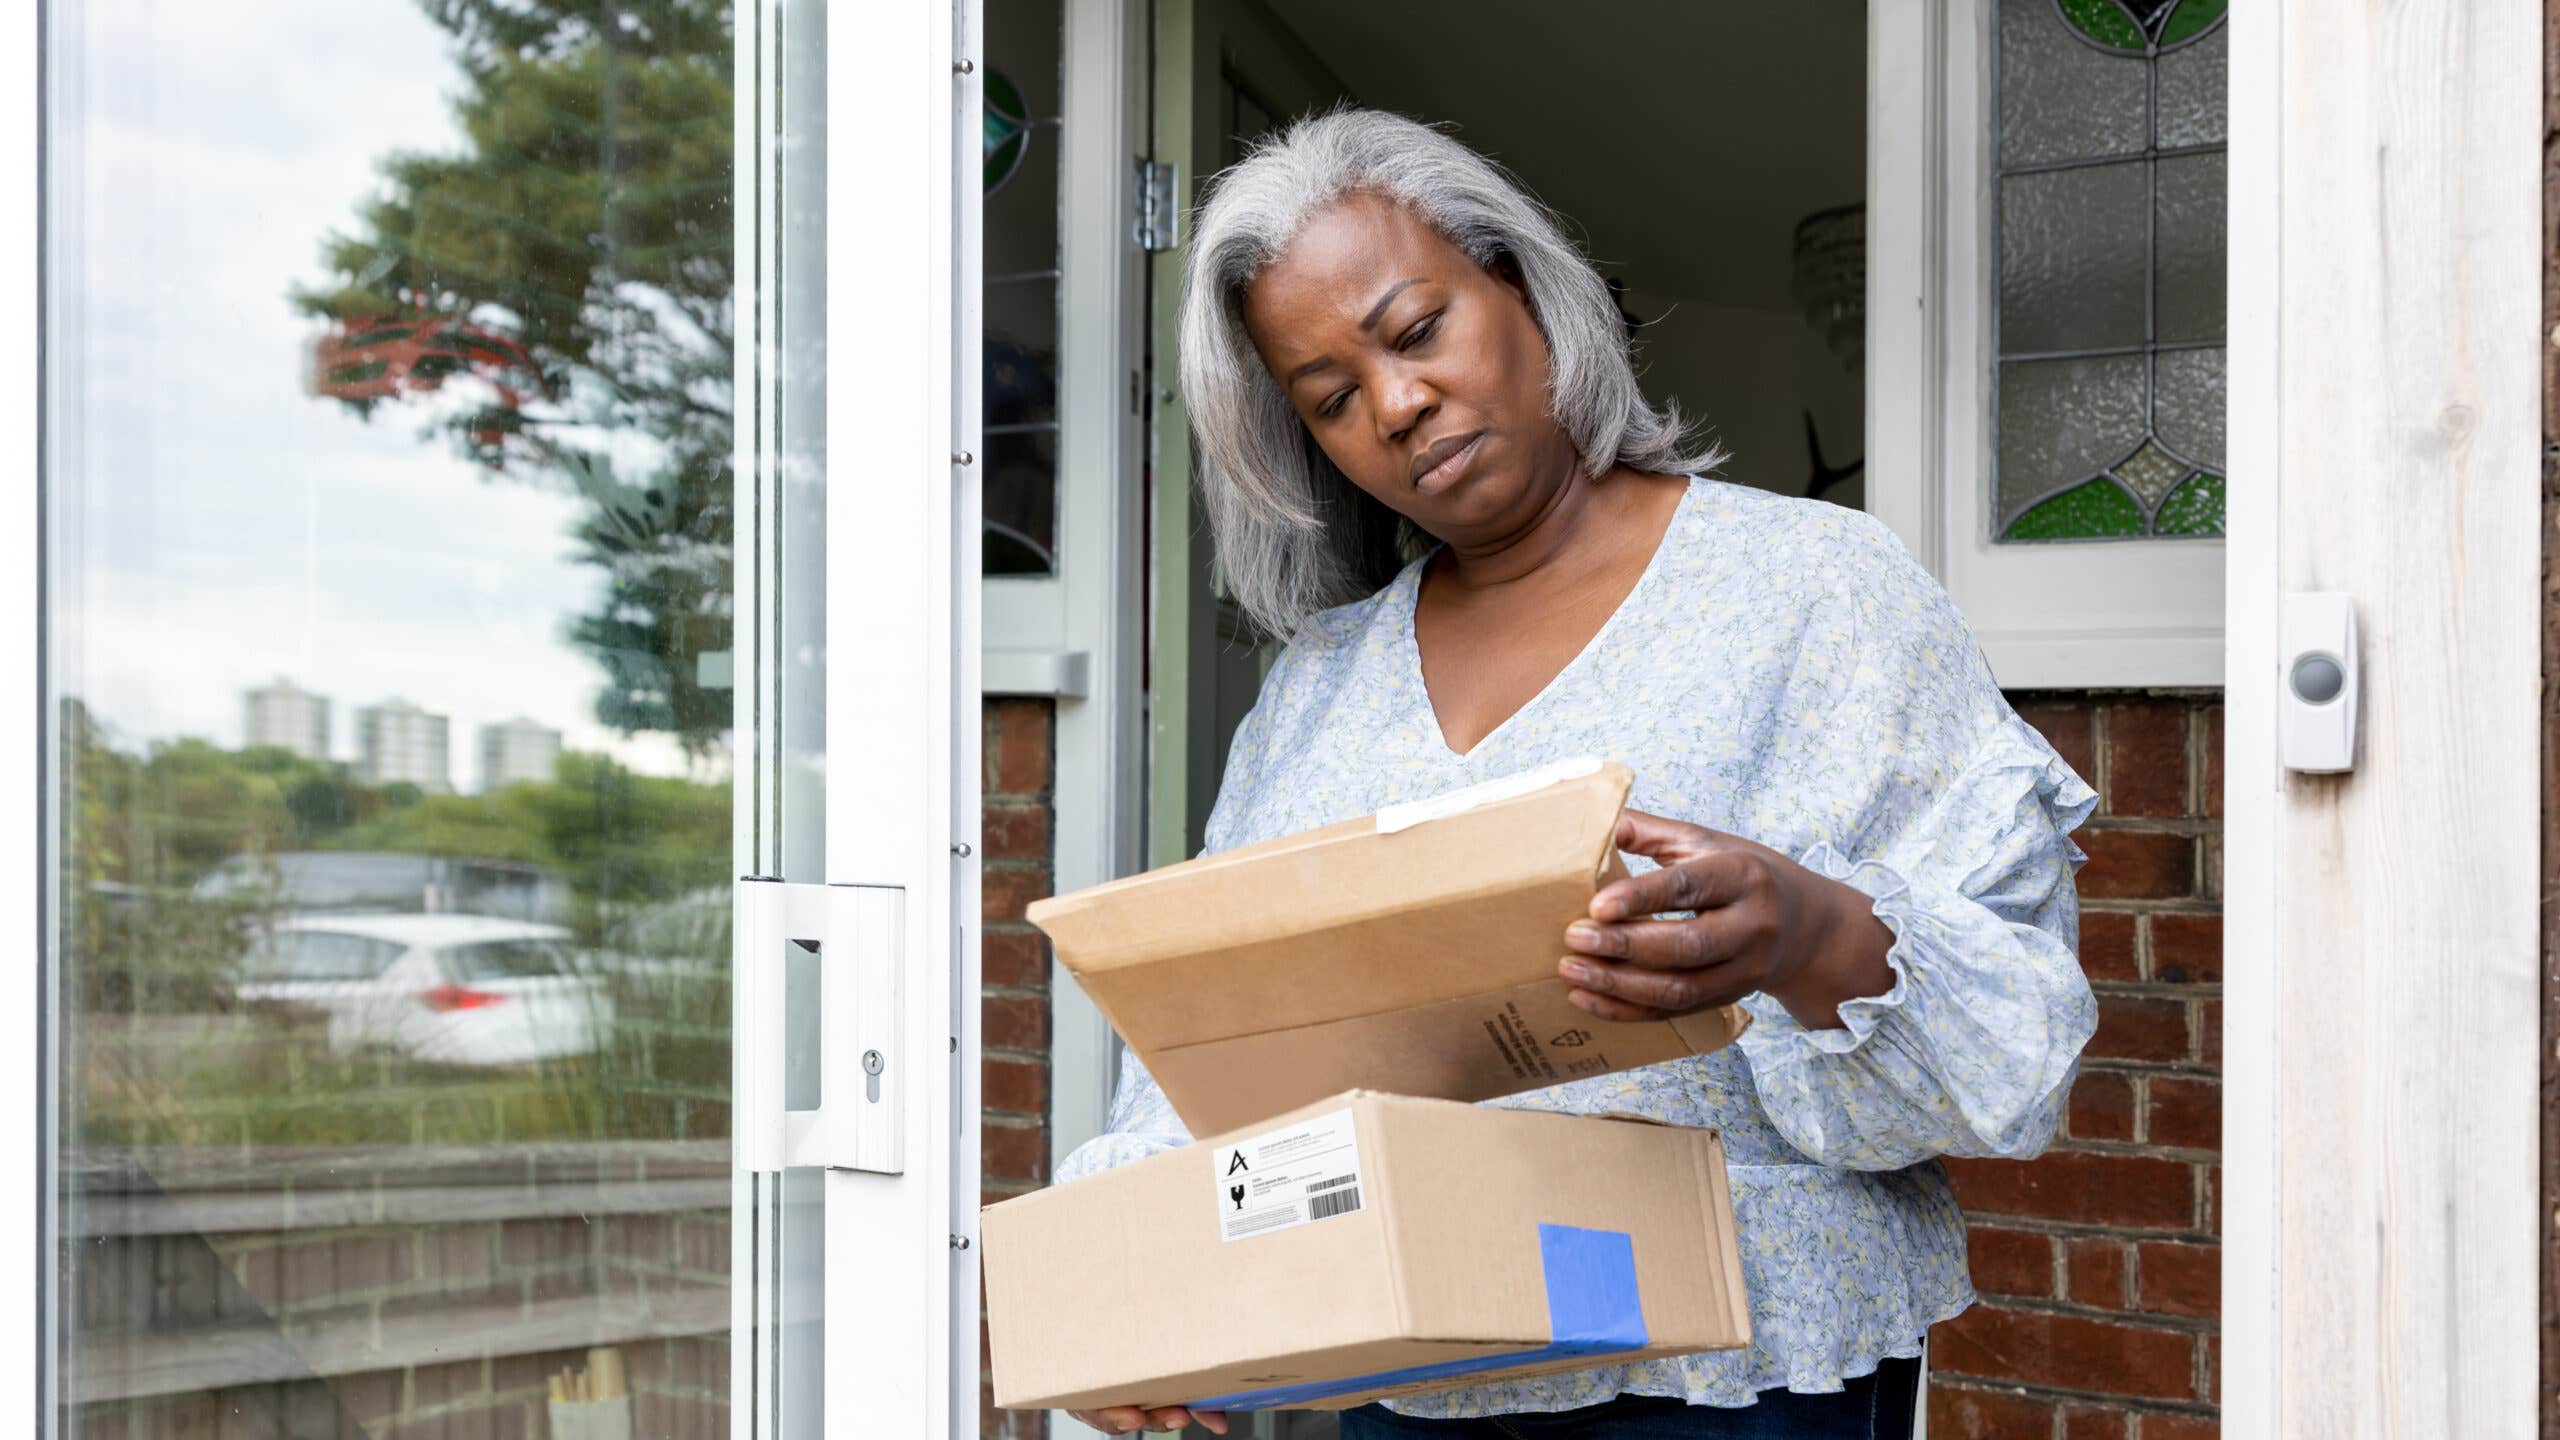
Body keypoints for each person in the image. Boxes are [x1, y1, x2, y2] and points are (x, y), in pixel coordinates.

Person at [1057, 107, 2097, 1439]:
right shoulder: (1319, 694)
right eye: (1327, 398)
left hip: (1740, 1385)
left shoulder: (1814, 592)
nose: (1395, 404)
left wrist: (1805, 929)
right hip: (1419, 1379)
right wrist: (1147, 1289)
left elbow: (2010, 1055)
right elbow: (1212, 1051)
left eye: (1416, 330)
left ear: (1528, 290)